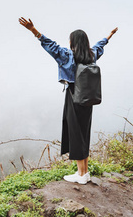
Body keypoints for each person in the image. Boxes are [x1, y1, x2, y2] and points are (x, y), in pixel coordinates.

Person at [19, 17, 118, 184]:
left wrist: (33, 30)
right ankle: (84, 172)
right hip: (87, 99)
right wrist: (109, 36)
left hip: (74, 97)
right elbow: (100, 45)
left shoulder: (67, 56)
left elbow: (51, 46)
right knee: (83, 133)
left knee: (76, 134)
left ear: (73, 42)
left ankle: (80, 176)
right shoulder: (91, 55)